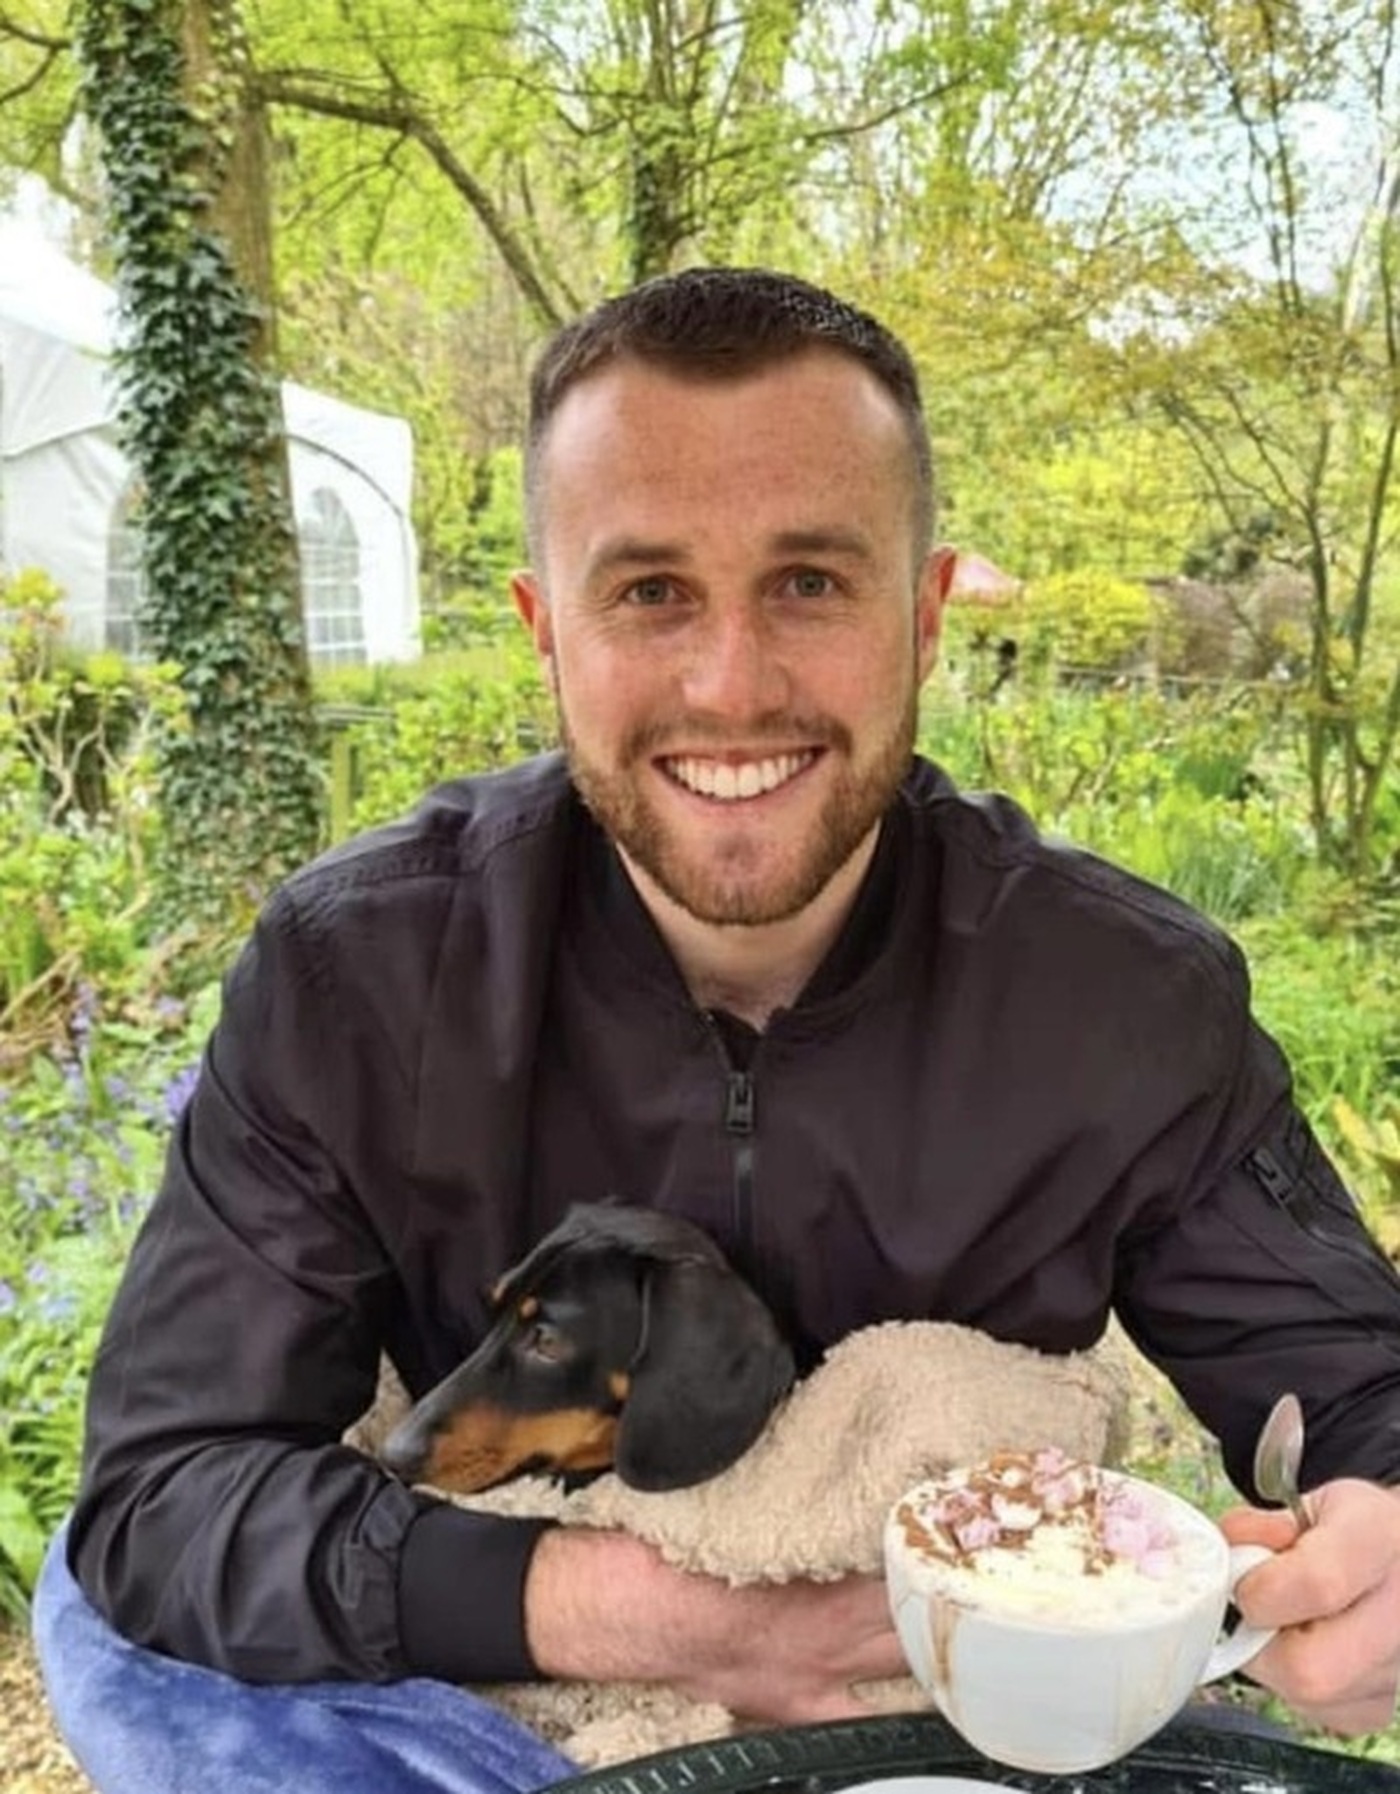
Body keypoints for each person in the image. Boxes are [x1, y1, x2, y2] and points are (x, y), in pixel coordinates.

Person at [33, 267, 1400, 1794]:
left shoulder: (1128, 996)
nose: (731, 685)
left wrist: (1378, 1544)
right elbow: (162, 1490)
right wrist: (675, 1621)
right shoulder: (350, 971)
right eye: (649, 592)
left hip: (959, 1702)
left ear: (924, 616)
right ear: (546, 630)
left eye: (810, 581)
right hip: (505, 1716)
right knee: (100, 1624)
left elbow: (1362, 1399)